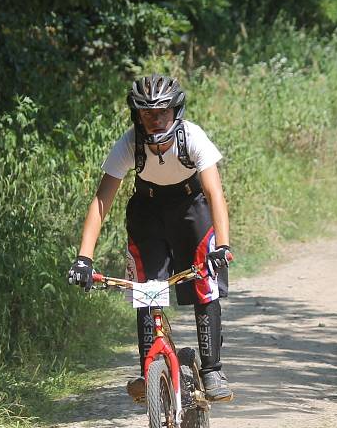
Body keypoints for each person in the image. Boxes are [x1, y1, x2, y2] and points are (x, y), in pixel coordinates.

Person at [67, 73, 233, 402]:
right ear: (136, 115)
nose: (155, 121)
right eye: (147, 114)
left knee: (204, 281)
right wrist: (84, 259)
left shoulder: (192, 137)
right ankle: (149, 372)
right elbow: (102, 201)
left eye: (162, 113)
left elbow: (214, 193)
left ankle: (212, 369)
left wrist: (223, 247)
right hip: (148, 211)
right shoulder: (131, 142)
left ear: (175, 112)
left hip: (191, 210)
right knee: (147, 290)